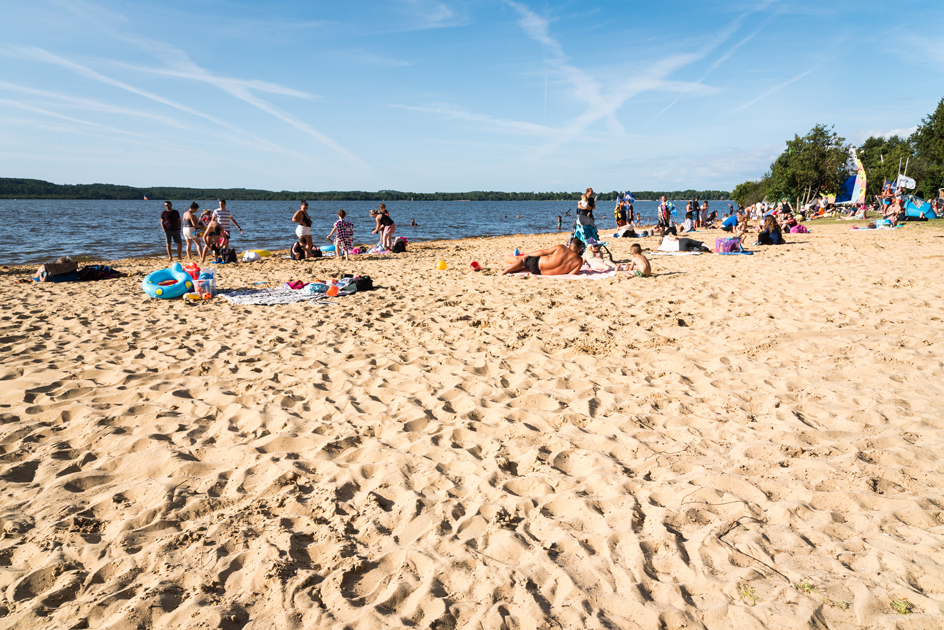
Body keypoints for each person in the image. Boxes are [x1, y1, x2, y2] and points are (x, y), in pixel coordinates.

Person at [501, 238, 585, 276]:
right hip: (540, 273)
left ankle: (503, 272)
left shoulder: (561, 247)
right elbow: (571, 274)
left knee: (523, 261)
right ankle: (514, 272)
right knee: (527, 268)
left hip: (537, 264)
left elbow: (544, 252)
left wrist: (528, 254)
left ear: (570, 245)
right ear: (580, 249)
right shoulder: (579, 261)